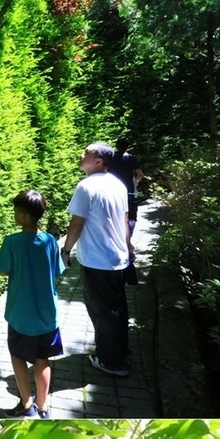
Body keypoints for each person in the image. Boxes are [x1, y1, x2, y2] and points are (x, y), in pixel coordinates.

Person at [62, 142, 136, 378]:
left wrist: (66, 250)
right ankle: (120, 350)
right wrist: (128, 246)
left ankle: (112, 362)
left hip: (97, 260)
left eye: (86, 153)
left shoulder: (85, 187)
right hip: (118, 258)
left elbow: (77, 223)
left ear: (99, 161)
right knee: (118, 308)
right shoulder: (118, 184)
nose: (81, 155)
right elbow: (125, 220)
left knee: (103, 312)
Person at [0, 190, 65, 418]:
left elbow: (4, 271)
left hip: (20, 315)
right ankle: (43, 408)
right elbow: (57, 271)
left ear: (23, 216)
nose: (15, 215)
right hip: (47, 315)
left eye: (16, 212)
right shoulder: (50, 241)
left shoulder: (12, 242)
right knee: (42, 360)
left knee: (17, 356)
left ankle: (26, 404)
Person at [108, 137, 144, 232]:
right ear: (128, 146)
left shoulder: (110, 158)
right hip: (128, 189)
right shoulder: (132, 158)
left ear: (116, 146)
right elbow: (140, 175)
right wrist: (135, 183)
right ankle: (128, 237)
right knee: (130, 213)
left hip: (112, 188)